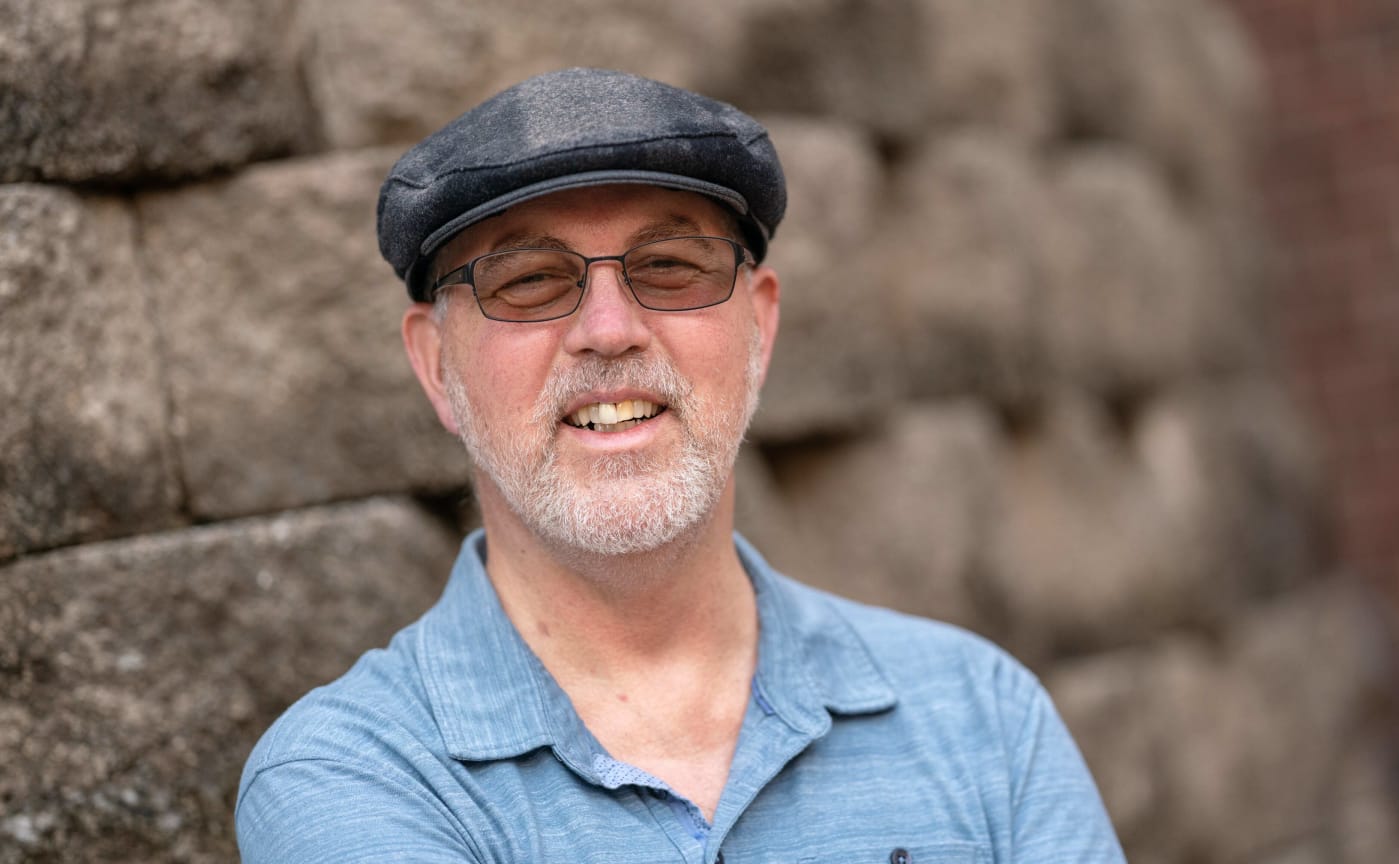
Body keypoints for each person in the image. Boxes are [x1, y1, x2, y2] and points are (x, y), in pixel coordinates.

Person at [235, 67, 1126, 863]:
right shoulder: (351, 777)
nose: (611, 330)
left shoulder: (984, 716)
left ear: (760, 330)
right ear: (438, 367)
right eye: (530, 281)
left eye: (670, 267)